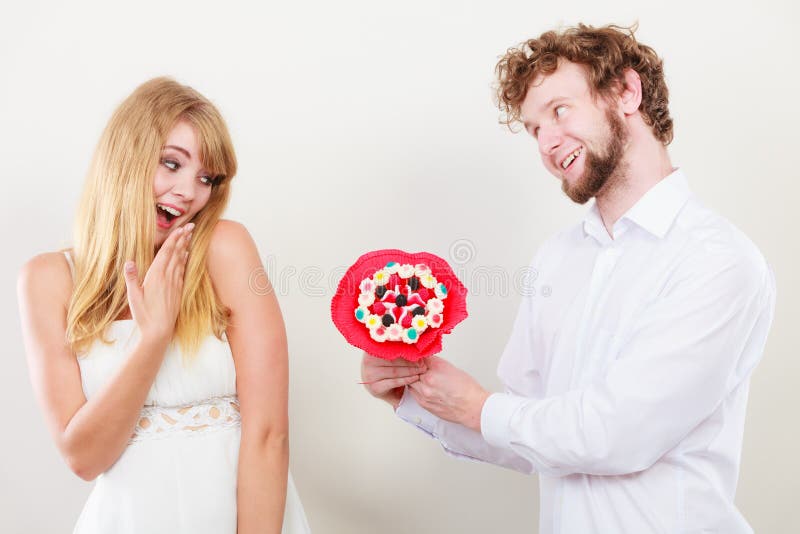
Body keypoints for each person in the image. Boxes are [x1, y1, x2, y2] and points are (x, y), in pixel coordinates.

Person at [361, 24, 775, 533]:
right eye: (534, 129)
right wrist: (414, 394)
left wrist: (481, 407)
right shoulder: (558, 257)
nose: (547, 143)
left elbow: (617, 433)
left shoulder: (718, 260)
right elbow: (526, 435)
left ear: (626, 92)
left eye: (559, 111)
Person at [17, 78, 310, 534]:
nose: (188, 192)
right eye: (171, 163)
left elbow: (270, 435)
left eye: (206, 177)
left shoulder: (224, 249)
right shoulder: (47, 279)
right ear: (125, 158)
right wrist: (153, 337)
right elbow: (84, 458)